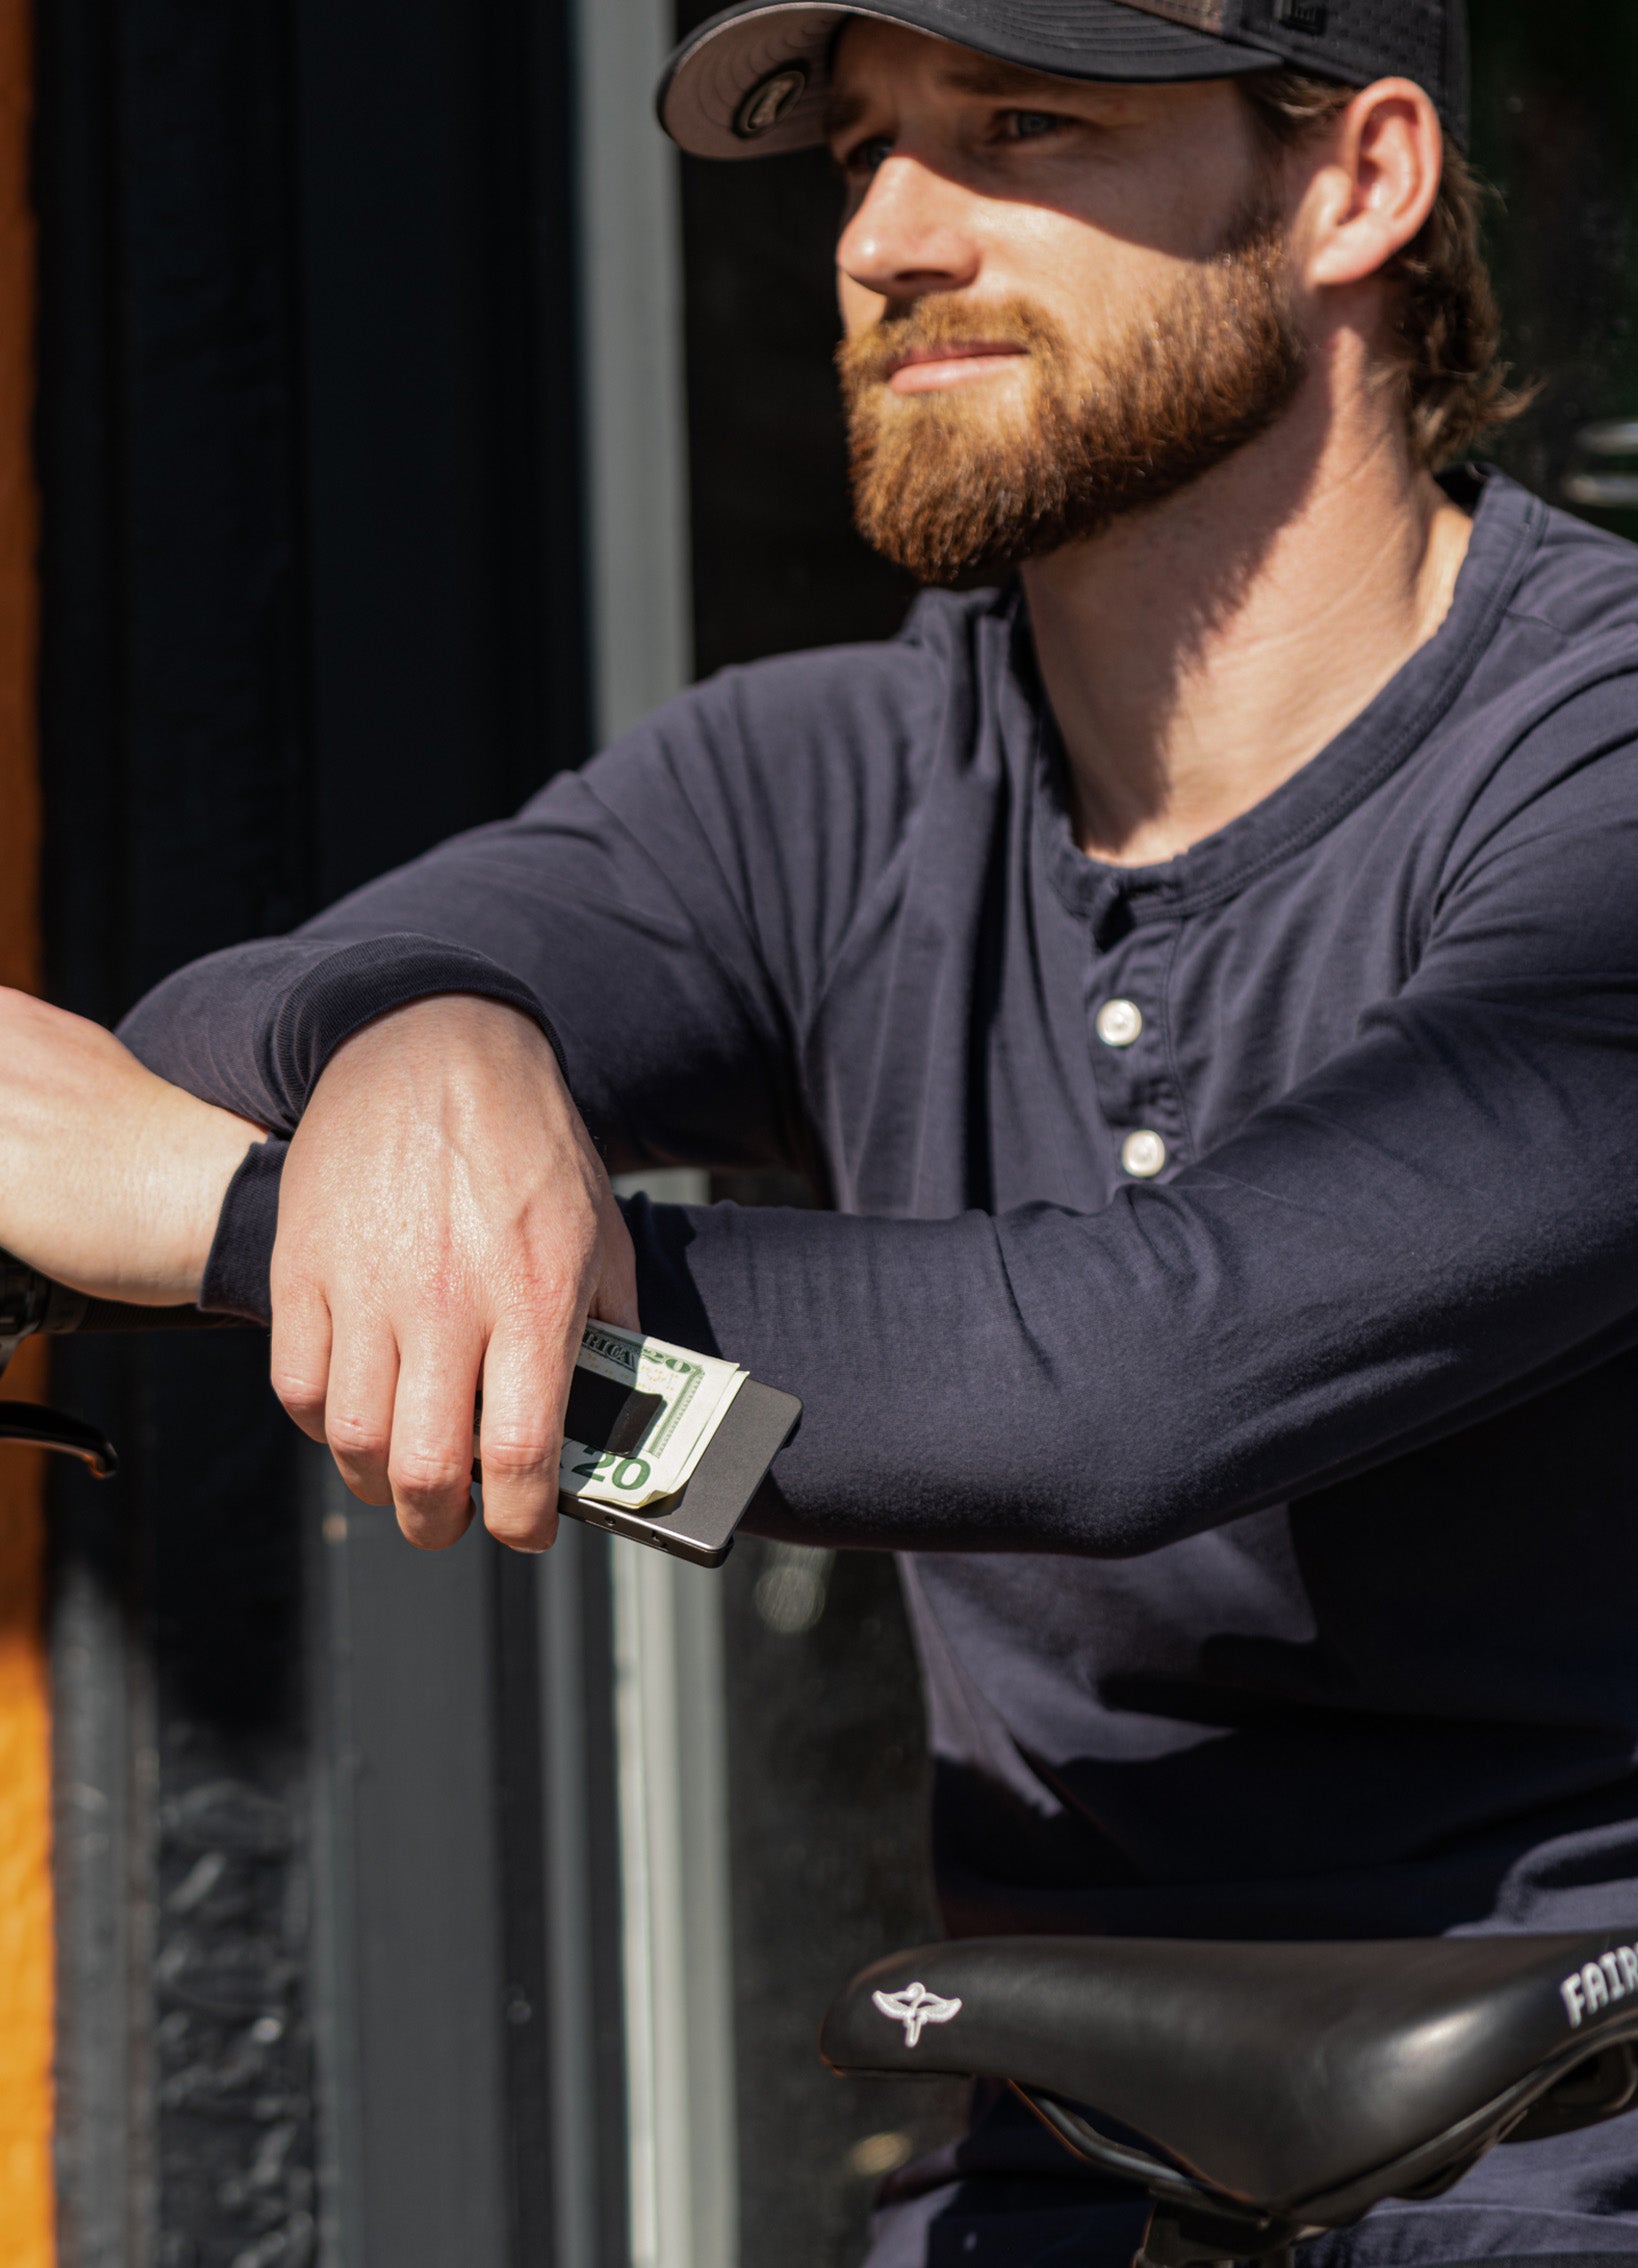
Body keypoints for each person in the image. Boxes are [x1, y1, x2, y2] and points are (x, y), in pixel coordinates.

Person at [6, 0, 1638, 2258]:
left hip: (1568, 2151)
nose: (884, 232)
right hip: (1065, 2154)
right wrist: (425, 1030)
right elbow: (217, 1023)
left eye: (1022, 127)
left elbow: (1137, 1385)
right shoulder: (840, 779)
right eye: (861, 152)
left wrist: (226, 1220)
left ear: (1356, 180)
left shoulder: (1595, 781)